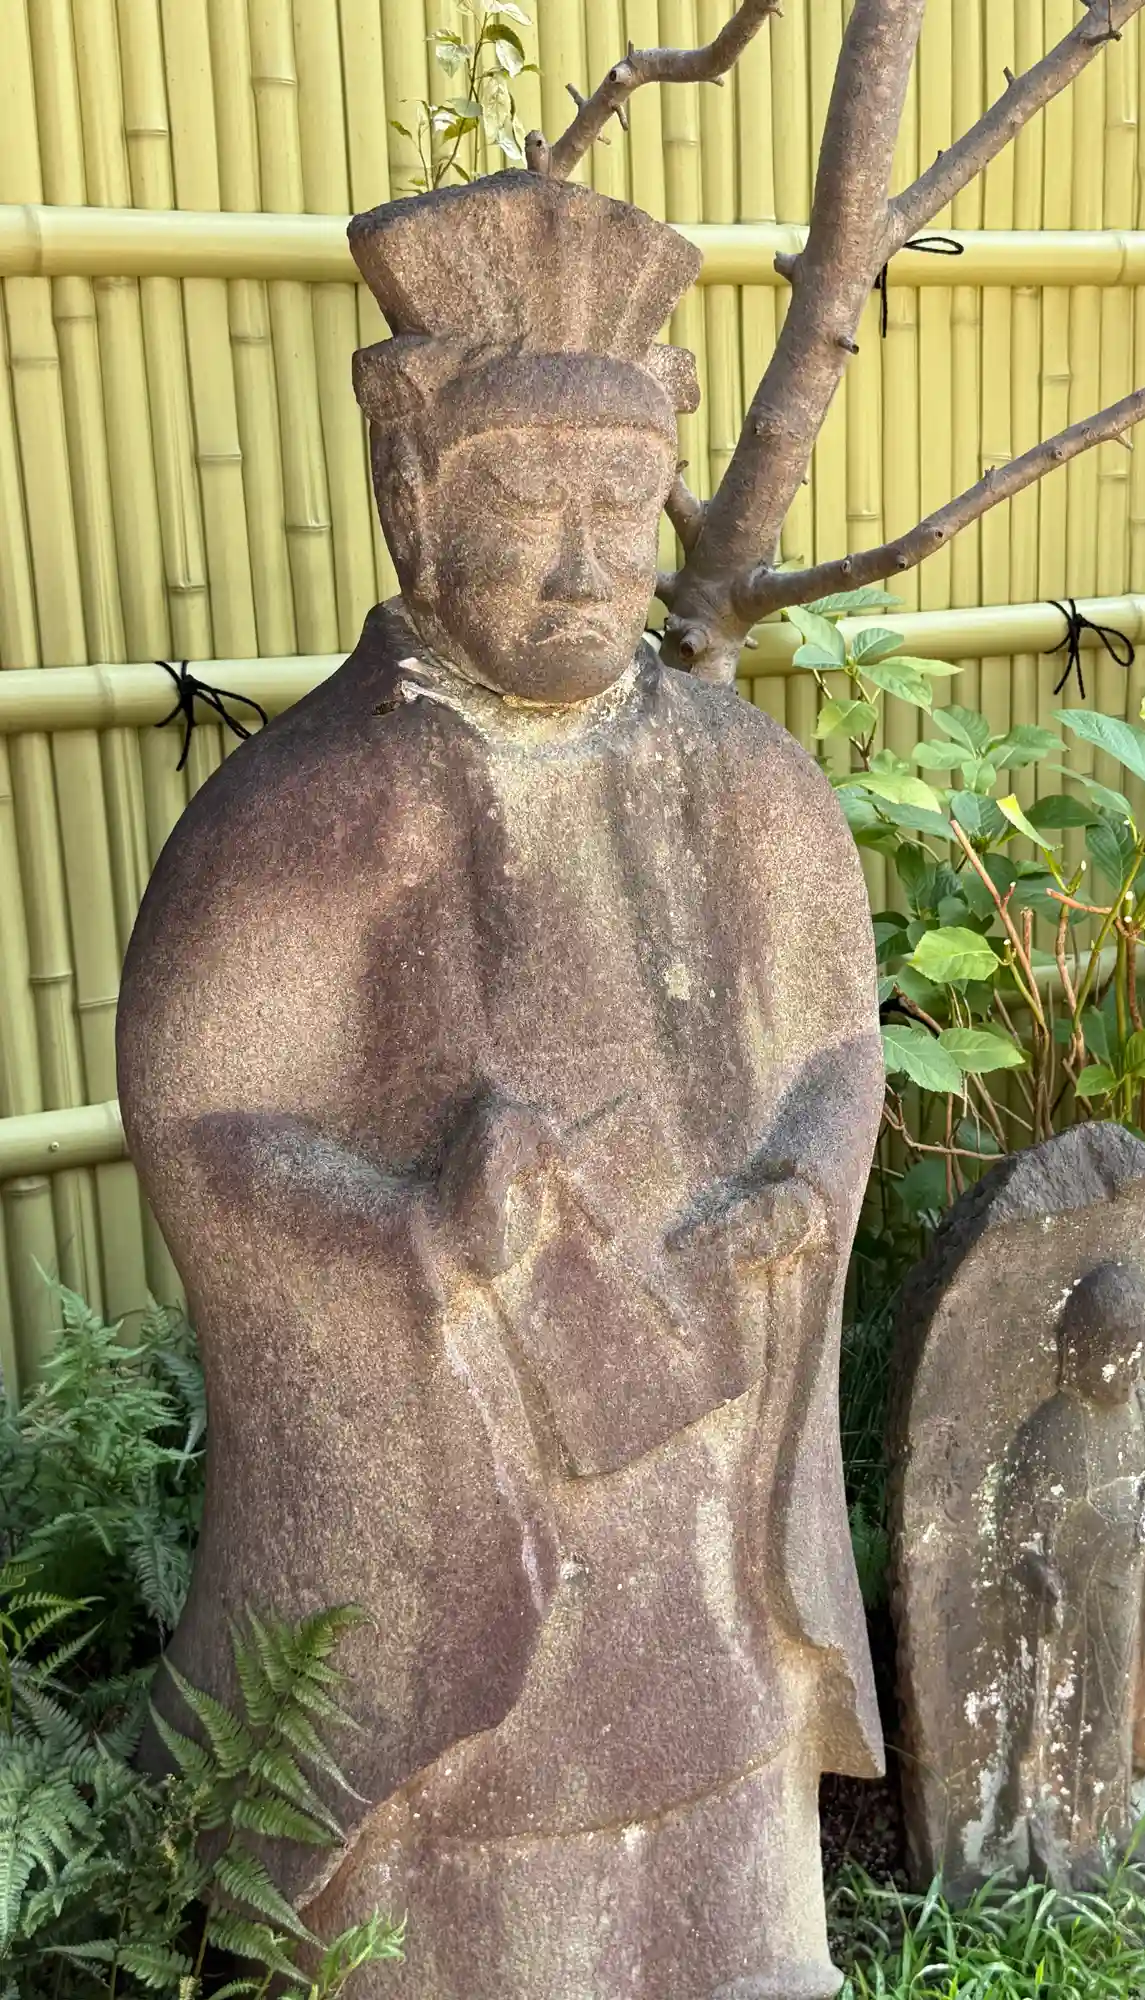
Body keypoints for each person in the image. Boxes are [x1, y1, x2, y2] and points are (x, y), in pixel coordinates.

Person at [117, 170, 883, 1999]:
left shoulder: (749, 785)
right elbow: (203, 1121)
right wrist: (416, 1231)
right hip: (472, 1493)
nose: (585, 566)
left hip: (703, 1451)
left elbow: (839, 1043)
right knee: (475, 1854)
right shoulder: (310, 814)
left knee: (720, 1791)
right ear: (416, 504)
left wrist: (798, 1185)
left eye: (624, 507)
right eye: (528, 508)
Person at [997, 1260, 1145, 1881]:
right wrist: (1038, 1574)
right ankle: (1060, 1837)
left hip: (1122, 1592)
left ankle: (1107, 1827)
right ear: (1078, 1350)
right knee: (1063, 1722)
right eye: (1115, 1358)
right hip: (1067, 1609)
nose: (1128, 1373)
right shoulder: (1051, 1431)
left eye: (1137, 1357)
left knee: (1110, 1715)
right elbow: (1013, 1529)